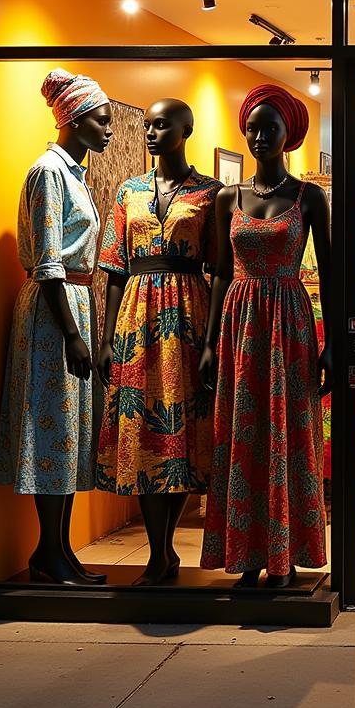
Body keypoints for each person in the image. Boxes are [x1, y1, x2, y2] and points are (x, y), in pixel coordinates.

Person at [200, 84, 330, 588]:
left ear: (287, 136)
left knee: (287, 437)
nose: (258, 136)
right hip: (238, 324)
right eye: (252, 127)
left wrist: (332, 343)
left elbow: (336, 272)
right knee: (241, 437)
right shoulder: (227, 197)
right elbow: (218, 271)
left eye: (268, 128)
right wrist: (211, 341)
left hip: (290, 324)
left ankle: (284, 555)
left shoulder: (308, 197)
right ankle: (246, 553)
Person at [95, 98, 222, 587]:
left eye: (161, 124)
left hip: (188, 315)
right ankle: (158, 552)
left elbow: (220, 272)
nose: (150, 132)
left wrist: (211, 338)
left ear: (186, 130)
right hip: (136, 315)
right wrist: (106, 338)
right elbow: (112, 268)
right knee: (143, 434)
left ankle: (166, 550)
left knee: (179, 435)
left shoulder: (209, 194)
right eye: (146, 125)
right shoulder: (129, 191)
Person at [0, 68, 113, 585]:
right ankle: (51, 550)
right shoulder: (49, 172)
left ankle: (56, 548)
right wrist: (71, 333)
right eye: (102, 120)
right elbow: (47, 261)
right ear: (75, 119)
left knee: (70, 434)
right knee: (54, 433)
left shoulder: (75, 174)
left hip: (75, 301)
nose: (109, 130)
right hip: (54, 309)